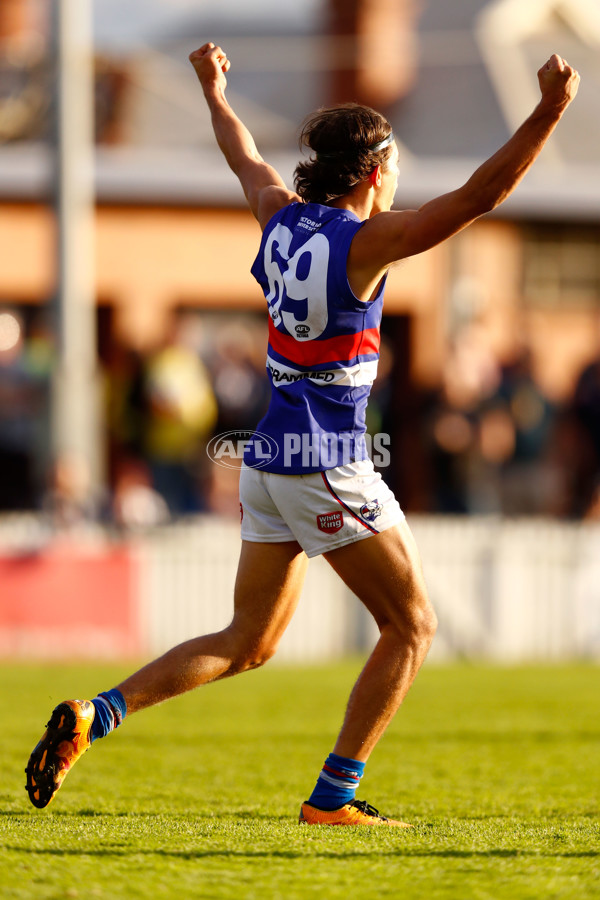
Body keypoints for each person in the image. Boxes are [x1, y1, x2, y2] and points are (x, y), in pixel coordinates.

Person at [25, 43, 579, 826]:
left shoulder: (279, 216)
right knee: (412, 626)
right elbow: (478, 198)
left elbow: (243, 155)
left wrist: (215, 91)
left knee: (249, 640)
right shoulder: (365, 242)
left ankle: (97, 714)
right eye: (391, 167)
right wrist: (551, 110)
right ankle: (334, 796)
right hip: (326, 460)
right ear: (372, 173)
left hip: (270, 458)